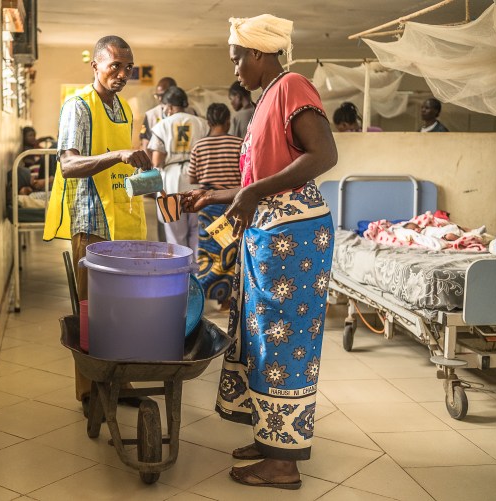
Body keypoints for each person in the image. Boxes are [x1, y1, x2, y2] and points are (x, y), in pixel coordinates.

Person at [181, 14, 338, 490]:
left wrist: (251, 194)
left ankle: (283, 463)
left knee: (283, 339)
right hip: (272, 232)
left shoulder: (293, 86)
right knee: (258, 336)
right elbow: (261, 182)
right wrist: (218, 194)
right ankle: (271, 439)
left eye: (236, 60)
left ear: (257, 53)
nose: (235, 71)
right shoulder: (268, 98)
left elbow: (324, 155)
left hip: (293, 238)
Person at [43, 35, 151, 414]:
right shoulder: (79, 107)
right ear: (95, 66)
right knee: (92, 309)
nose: (122, 74)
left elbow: (122, 168)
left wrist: (148, 184)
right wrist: (118, 154)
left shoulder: (122, 107)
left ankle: (122, 381)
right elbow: (69, 165)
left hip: (122, 217)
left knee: (122, 308)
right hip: (91, 221)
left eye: (128, 67)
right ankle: (91, 391)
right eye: (114, 66)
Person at [187, 103, 243, 311]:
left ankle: (200, 295)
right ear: (228, 121)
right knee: (231, 250)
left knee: (208, 253)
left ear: (208, 122)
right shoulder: (239, 143)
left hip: (208, 205)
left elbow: (193, 177)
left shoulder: (199, 146)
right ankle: (227, 299)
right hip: (232, 204)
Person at [148, 86, 209, 256]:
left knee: (175, 234)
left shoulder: (162, 126)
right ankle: (197, 275)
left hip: (171, 182)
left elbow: (157, 160)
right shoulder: (202, 123)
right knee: (196, 231)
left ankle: (179, 273)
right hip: (196, 178)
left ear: (169, 107)